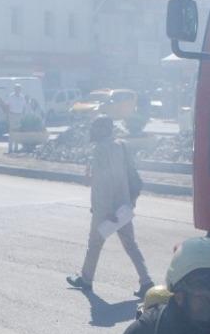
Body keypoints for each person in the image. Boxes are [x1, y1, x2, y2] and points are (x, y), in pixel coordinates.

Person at [66, 117, 154, 299]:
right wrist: (126, 203)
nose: (92, 131)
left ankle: (86, 280)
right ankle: (146, 281)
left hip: (107, 209)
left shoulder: (101, 150)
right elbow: (128, 175)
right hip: (123, 206)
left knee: (94, 244)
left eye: (95, 127)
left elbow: (104, 182)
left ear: (102, 129)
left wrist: (105, 210)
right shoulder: (122, 145)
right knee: (131, 245)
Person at [5, 83, 27, 154]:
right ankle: (10, 149)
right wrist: (8, 116)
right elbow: (7, 106)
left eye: (19, 89)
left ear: (20, 90)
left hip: (19, 115)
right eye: (16, 88)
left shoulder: (22, 97)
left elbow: (24, 107)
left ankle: (16, 149)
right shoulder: (11, 96)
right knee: (11, 133)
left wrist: (23, 116)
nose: (18, 90)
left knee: (17, 133)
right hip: (12, 115)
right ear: (14, 89)